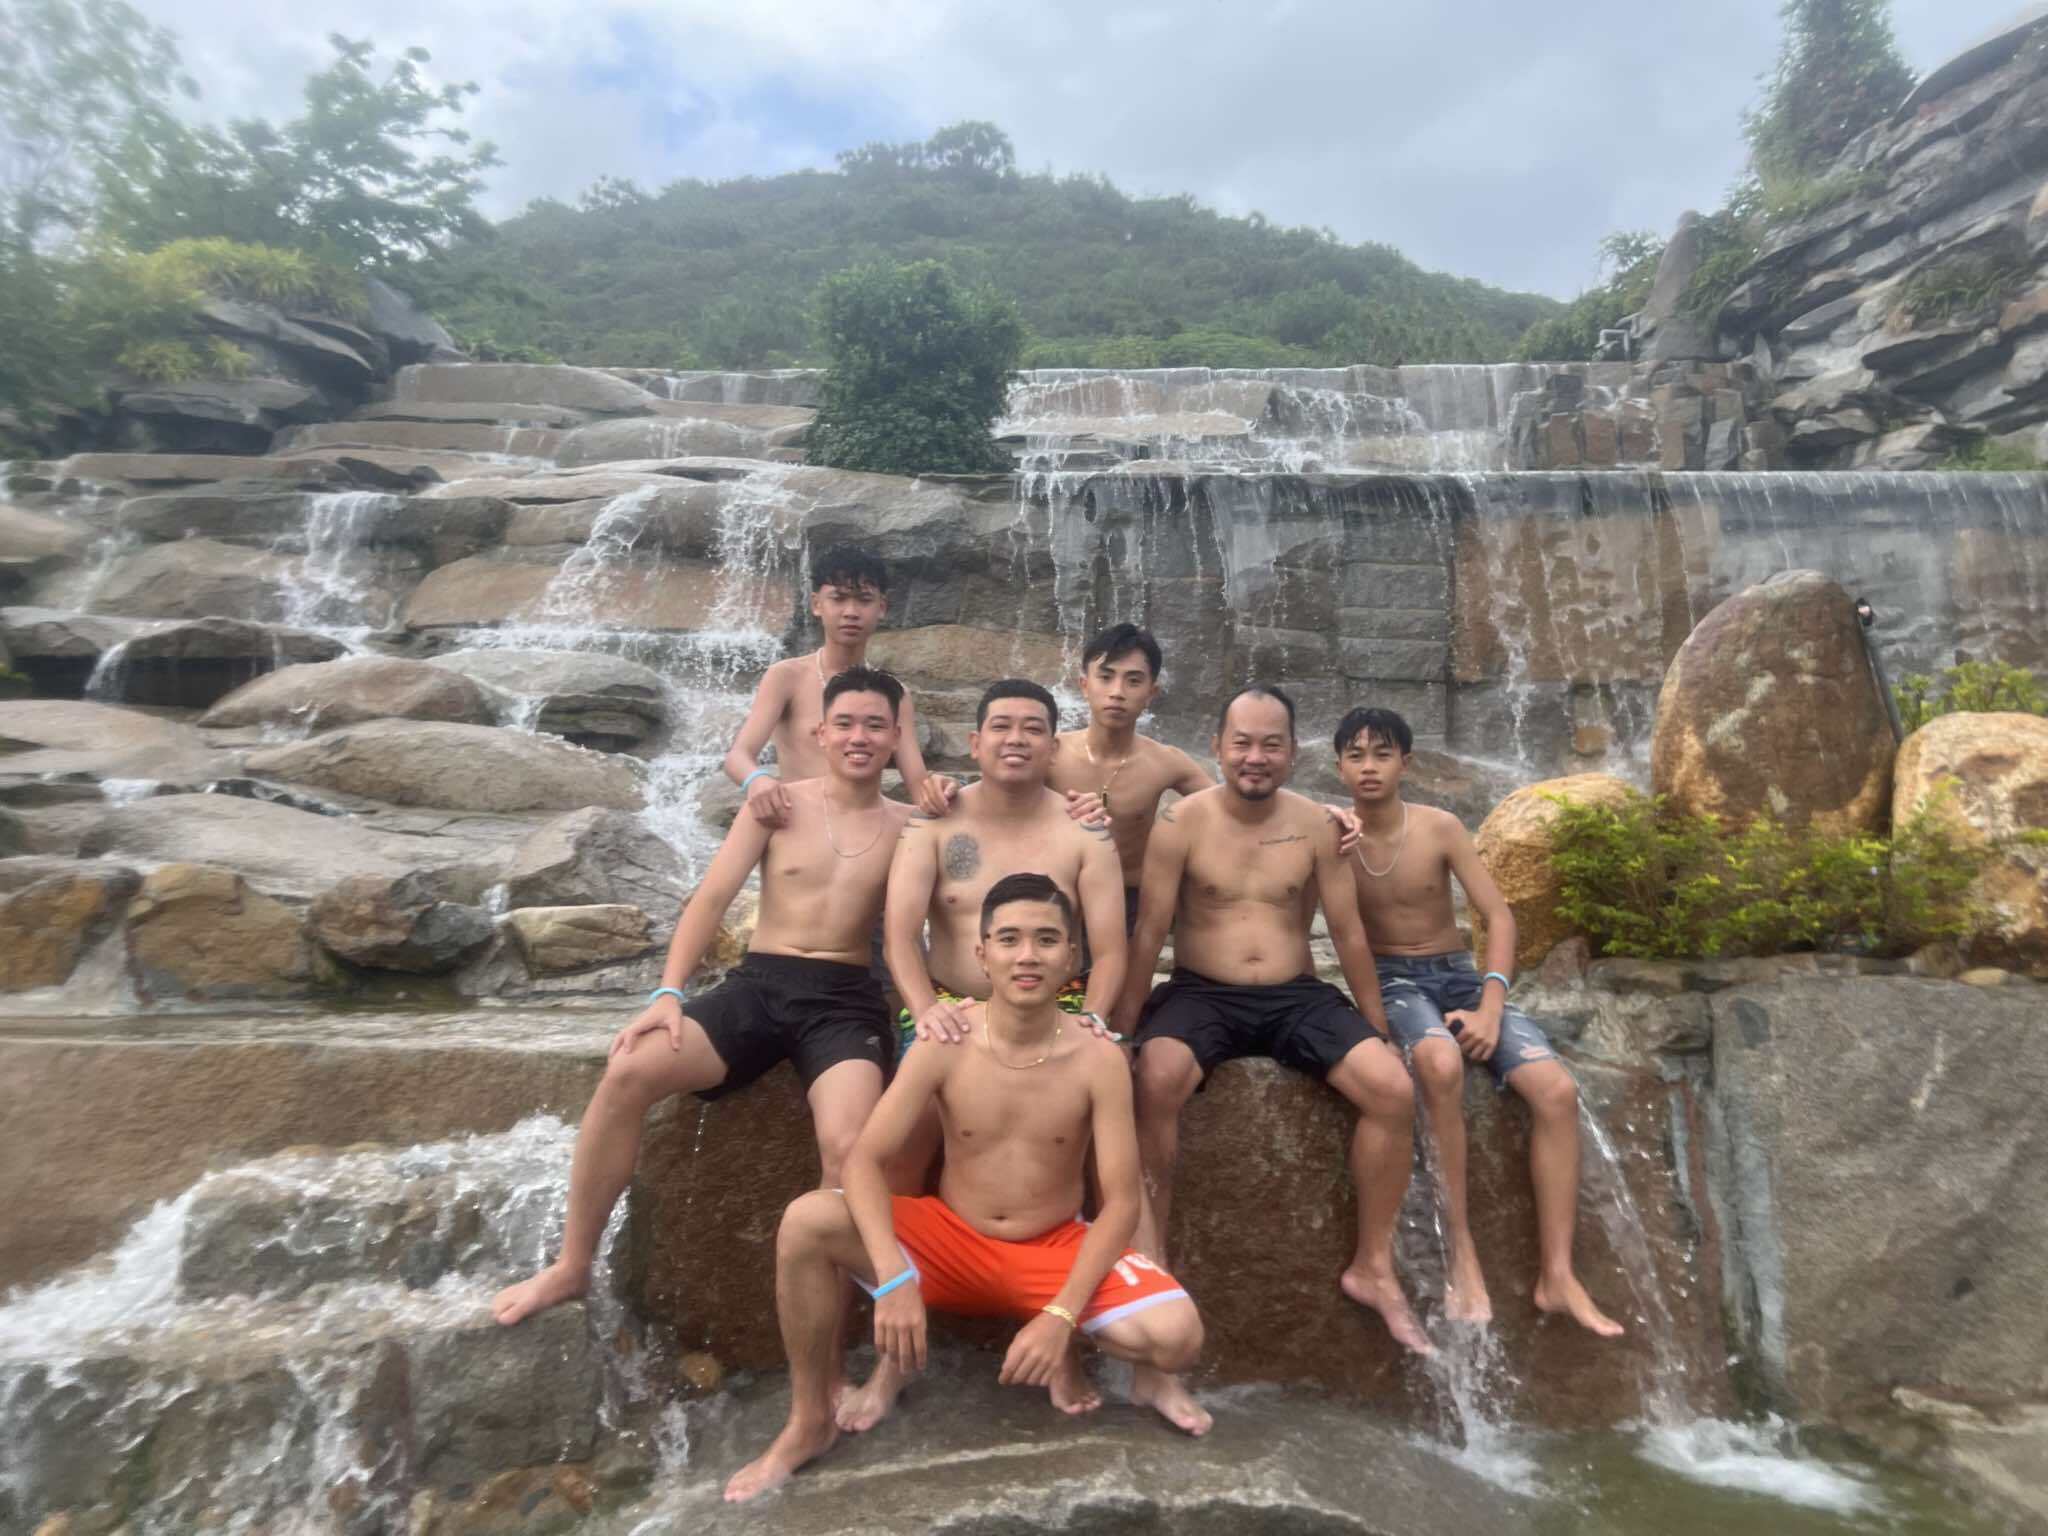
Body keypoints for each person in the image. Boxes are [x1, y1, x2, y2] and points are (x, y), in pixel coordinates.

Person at [724, 875, 1210, 1504]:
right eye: (1009, 940)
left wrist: (1061, 1316)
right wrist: (893, 1279)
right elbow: (865, 1160)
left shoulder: (1099, 1059)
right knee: (806, 1221)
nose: (1027, 956)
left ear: (1072, 957)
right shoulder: (944, 1042)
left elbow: (1119, 1202)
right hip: (948, 1243)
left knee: (1176, 1338)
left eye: (1046, 940)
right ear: (982, 954)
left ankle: (1068, 1343)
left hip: (1051, 1249)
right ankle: (808, 1421)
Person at [492, 667, 916, 1327]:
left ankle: (827, 1348)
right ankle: (572, 1265)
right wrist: (668, 993)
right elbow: (712, 898)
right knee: (629, 1069)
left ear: (894, 737)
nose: (859, 737)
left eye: (874, 726)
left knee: (846, 1147)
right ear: (820, 732)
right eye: (846, 724)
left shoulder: (914, 826)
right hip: (759, 984)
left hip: (844, 1002)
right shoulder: (776, 804)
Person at [1112, 685, 1429, 1371]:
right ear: (1217, 747)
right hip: (1202, 992)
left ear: (1292, 752)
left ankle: (1373, 1266)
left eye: (1271, 744)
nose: (1255, 757)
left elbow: (1347, 931)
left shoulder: (1317, 825)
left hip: (1295, 996)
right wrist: (1122, 1030)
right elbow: (1148, 934)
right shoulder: (1182, 823)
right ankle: (1150, 1255)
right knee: (1156, 1077)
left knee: (1392, 1090)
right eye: (1242, 743)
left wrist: (1376, 1026)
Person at [1334, 706, 1622, 1337]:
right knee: (1439, 1062)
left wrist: (1491, 1005)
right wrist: (1373, 1021)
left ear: (1406, 763)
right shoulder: (1335, 839)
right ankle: (1461, 1250)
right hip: (1392, 981)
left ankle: (1557, 1275)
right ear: (1339, 767)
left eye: (1382, 754)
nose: (1369, 767)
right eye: (1355, 755)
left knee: (1557, 1090)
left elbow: (1499, 916)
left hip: (1460, 976)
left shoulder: (1439, 827)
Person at [885, 678, 1128, 1049]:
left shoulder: (1086, 832)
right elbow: (900, 938)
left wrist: (1091, 1017)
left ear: (1053, 749)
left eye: (1033, 729)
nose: (1016, 739)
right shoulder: (932, 824)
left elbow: (1111, 951)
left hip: (1060, 1007)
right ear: (975, 744)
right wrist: (925, 1009)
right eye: (1001, 726)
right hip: (953, 1006)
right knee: (927, 1072)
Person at [723, 545, 941, 825]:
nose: (851, 612)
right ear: (817, 604)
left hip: (863, 830)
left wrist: (941, 789)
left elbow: (918, 785)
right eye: (838, 598)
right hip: (799, 827)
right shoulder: (786, 677)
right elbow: (738, 756)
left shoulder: (893, 693)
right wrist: (757, 779)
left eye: (864, 600)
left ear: (881, 608)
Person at [1048, 624, 1214, 936]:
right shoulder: (1050, 754)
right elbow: (995, 797)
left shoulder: (1166, 762)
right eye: (1106, 677)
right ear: (1084, 685)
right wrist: (949, 789)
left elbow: (1229, 808)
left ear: (1151, 693)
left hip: (1131, 905)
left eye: (1133, 681)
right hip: (1055, 896)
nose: (1117, 692)